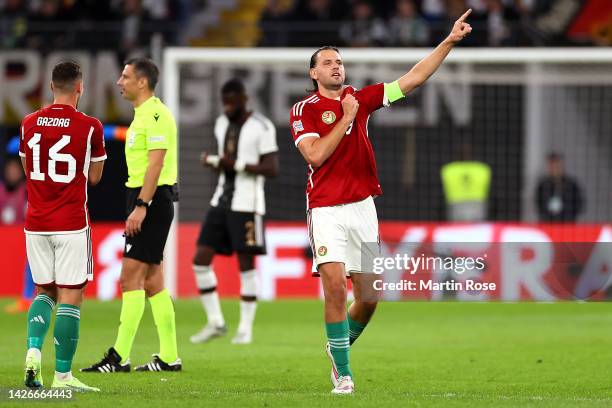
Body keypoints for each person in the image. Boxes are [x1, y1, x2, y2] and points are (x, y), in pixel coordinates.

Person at [289, 10, 473, 394]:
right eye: (328, 63)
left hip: (362, 209)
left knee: (370, 298)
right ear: (313, 74)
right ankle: (343, 373)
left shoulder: (362, 97)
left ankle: (336, 346)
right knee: (336, 286)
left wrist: (449, 41)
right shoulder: (303, 111)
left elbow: (414, 78)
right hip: (325, 209)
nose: (337, 67)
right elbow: (315, 156)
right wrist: (346, 118)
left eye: (339, 61)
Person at [82, 58, 180, 373]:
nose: (119, 82)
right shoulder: (142, 116)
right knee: (152, 281)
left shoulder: (155, 115)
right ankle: (169, 357)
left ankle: (119, 357)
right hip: (146, 198)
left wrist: (141, 205)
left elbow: (155, 165)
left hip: (150, 200)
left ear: (142, 82)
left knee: (130, 279)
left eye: (125, 76)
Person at [19, 60, 106, 391]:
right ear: (80, 87)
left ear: (51, 86)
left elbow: (29, 169)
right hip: (70, 222)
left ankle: (32, 351)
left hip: (35, 221)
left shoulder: (28, 123)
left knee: (44, 291)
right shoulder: (90, 127)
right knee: (71, 295)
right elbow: (94, 177)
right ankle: (63, 376)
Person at [191, 79, 278, 345]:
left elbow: (272, 169)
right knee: (200, 260)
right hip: (221, 201)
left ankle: (245, 329)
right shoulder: (220, 123)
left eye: (232, 101)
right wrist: (214, 162)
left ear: (244, 98)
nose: (227, 106)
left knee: (246, 266)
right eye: (224, 101)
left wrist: (235, 164)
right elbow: (226, 162)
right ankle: (216, 322)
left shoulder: (262, 127)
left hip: (247, 205)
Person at [0, 156, 34, 314]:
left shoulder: (28, 189)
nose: (12, 173)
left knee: (34, 259)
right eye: (9, 170)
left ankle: (28, 298)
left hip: (28, 233)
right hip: (7, 238)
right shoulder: (1, 190)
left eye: (15, 170)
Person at [536, 152, 584, 222]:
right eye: (551, 164)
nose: (554, 167)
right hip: (548, 223)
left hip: (567, 224)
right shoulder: (543, 185)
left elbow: (579, 205)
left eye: (556, 164)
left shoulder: (571, 184)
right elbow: (539, 204)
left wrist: (564, 208)